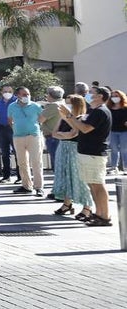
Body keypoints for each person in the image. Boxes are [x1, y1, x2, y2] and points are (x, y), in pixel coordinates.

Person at [58, 86, 113, 226]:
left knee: (98, 184)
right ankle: (98, 213)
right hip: (86, 152)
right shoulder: (92, 111)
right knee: (92, 184)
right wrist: (67, 117)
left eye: (92, 93)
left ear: (100, 96)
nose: (88, 95)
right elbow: (79, 126)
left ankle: (104, 216)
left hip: (94, 153)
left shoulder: (100, 111)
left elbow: (85, 128)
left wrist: (69, 116)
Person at [48, 96, 93, 219]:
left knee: (78, 177)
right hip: (63, 149)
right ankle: (67, 204)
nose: (67, 107)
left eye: (69, 105)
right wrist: (63, 131)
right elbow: (54, 133)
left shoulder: (82, 118)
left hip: (75, 150)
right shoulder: (64, 118)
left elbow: (74, 133)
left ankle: (87, 206)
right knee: (65, 175)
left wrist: (63, 133)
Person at [9, 86, 45, 196]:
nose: (27, 96)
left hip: (33, 136)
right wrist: (16, 129)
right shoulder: (12, 106)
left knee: (36, 162)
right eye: (24, 94)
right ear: (18, 95)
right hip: (18, 137)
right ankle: (26, 186)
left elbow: (42, 118)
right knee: (22, 162)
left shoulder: (35, 106)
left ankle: (39, 187)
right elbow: (10, 120)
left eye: (28, 94)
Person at [0, 85, 16, 183]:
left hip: (13, 128)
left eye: (9, 91)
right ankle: (6, 176)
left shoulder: (16, 101)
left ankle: (20, 176)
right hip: (2, 128)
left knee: (17, 152)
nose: (7, 93)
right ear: (1, 92)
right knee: (5, 153)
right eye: (5, 91)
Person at [108, 89, 127, 174]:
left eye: (116, 96)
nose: (114, 98)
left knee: (124, 149)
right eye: (113, 96)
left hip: (124, 131)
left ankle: (126, 168)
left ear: (121, 97)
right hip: (113, 131)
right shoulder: (109, 108)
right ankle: (114, 167)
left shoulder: (125, 108)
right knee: (114, 149)